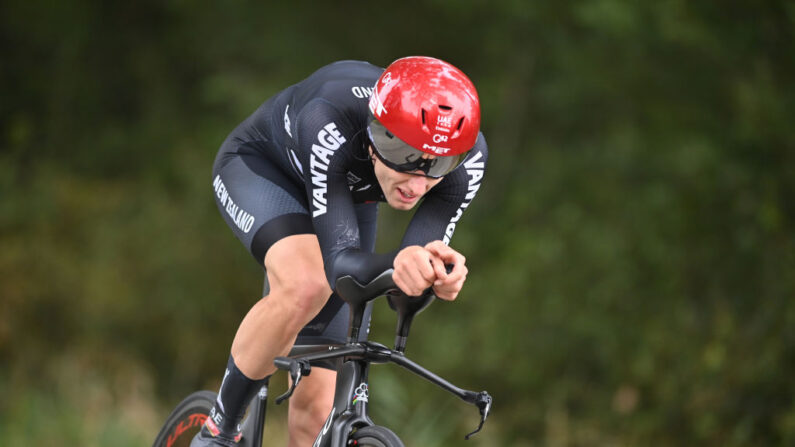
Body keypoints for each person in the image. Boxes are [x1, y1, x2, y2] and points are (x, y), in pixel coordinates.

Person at [193, 56, 488, 447]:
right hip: (264, 170)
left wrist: (433, 279)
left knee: (316, 414)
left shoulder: (467, 162)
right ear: (375, 133)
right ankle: (218, 431)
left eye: (438, 164)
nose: (419, 182)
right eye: (405, 156)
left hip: (347, 196)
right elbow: (339, 266)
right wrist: (400, 266)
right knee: (306, 285)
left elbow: (402, 282)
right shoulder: (328, 115)